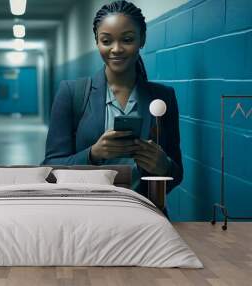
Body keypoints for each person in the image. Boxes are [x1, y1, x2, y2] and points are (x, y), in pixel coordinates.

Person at [42, 0, 183, 197]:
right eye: (107, 41)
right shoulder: (71, 93)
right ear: (97, 42)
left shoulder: (162, 97)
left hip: (141, 215)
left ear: (142, 39)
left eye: (127, 39)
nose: (116, 49)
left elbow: (176, 175)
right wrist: (93, 154)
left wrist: (163, 165)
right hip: (86, 215)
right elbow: (49, 170)